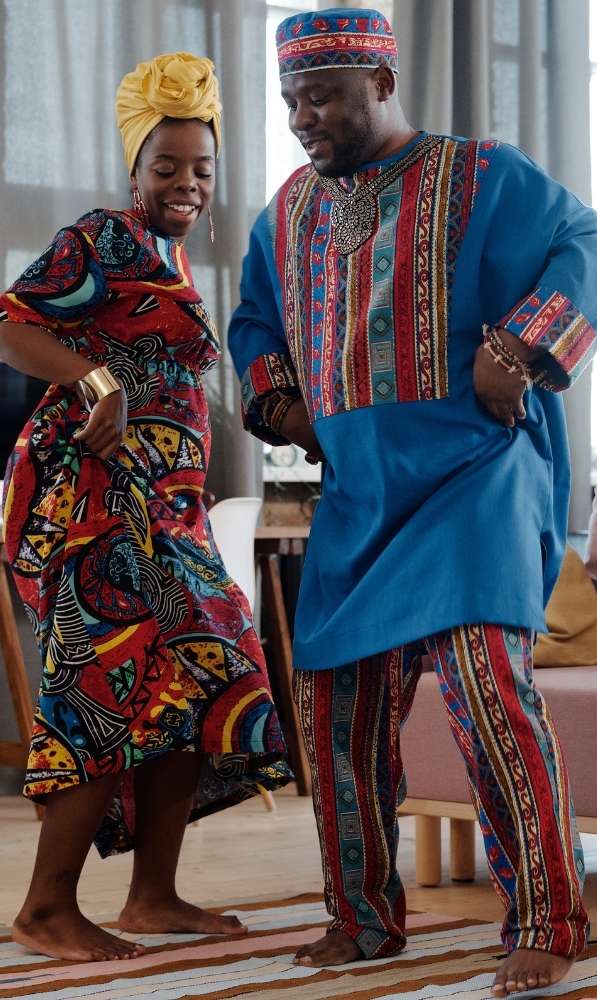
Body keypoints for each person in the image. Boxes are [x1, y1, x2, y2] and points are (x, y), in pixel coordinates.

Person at [228, 7, 597, 995]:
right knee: (334, 708)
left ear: (380, 80)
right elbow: (253, 323)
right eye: (290, 99)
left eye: (321, 95)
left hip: (474, 477)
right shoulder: (282, 216)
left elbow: (591, 247)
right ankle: (360, 921)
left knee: (487, 685)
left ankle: (544, 915)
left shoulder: (485, 174)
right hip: (361, 495)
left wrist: (517, 346)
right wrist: (280, 397)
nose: (302, 117)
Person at [0, 53, 290, 963]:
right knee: (105, 683)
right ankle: (46, 909)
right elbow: (12, 322)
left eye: (202, 168)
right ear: (134, 170)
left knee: (214, 666)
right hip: (87, 504)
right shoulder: (103, 240)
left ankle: (153, 894)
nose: (187, 184)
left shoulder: (169, 257)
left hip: (163, 511)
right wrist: (95, 379)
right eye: (167, 166)